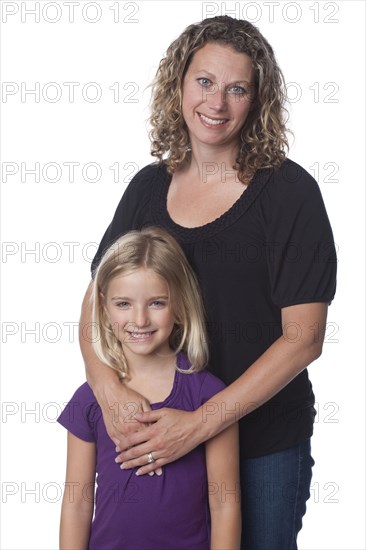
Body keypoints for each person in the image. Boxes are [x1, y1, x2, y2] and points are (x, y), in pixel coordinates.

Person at [80, 15, 337, 550]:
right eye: (204, 82)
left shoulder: (290, 193)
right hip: (153, 436)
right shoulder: (147, 188)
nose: (216, 103)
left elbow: (304, 338)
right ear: (179, 83)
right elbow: (95, 301)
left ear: (257, 100)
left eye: (236, 88)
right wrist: (107, 391)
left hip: (263, 445)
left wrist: (196, 426)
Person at [58, 227, 241, 550]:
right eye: (123, 303)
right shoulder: (88, 399)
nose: (139, 319)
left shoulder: (209, 396)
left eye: (157, 302)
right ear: (102, 307)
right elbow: (77, 502)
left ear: (180, 304)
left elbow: (225, 505)